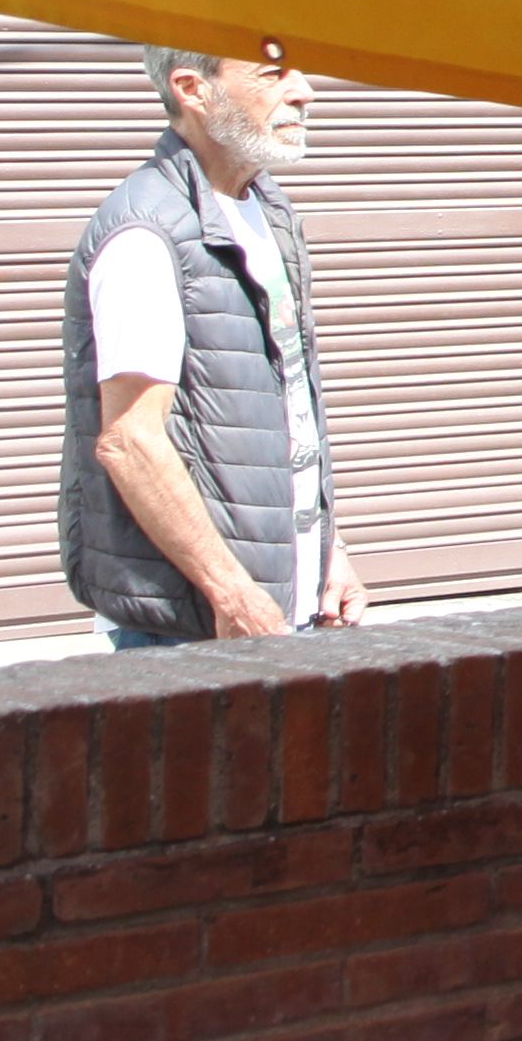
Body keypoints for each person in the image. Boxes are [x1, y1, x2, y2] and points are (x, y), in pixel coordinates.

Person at [64, 44, 364, 646]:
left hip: (277, 610)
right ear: (192, 89)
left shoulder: (267, 209)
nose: (304, 91)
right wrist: (230, 592)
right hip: (190, 629)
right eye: (273, 74)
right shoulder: (147, 233)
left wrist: (327, 553)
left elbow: (287, 418)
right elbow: (130, 442)